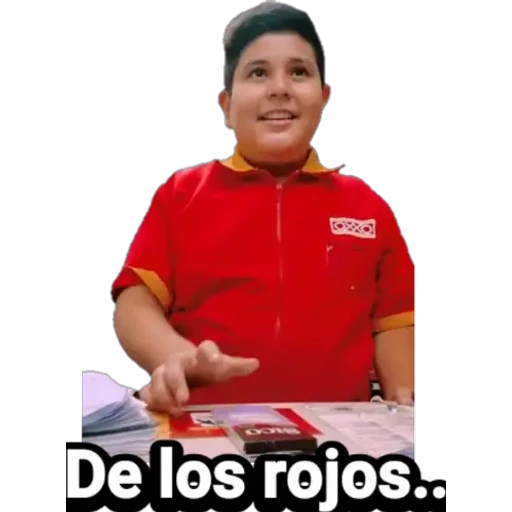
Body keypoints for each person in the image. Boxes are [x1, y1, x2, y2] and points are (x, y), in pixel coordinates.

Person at [112, 1, 415, 416]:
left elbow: (395, 319)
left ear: (323, 98)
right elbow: (135, 302)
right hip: (203, 429)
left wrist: (403, 398)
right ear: (227, 107)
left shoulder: (367, 206)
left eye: (299, 72)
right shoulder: (182, 194)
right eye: (258, 73)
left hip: (338, 436)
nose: (280, 88)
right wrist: (176, 356)